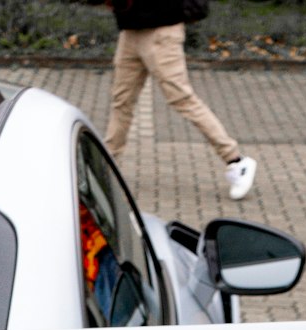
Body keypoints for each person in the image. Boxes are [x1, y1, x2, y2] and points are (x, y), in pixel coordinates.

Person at [104, 0, 257, 200]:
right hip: (130, 32)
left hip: (161, 32)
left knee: (183, 100)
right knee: (121, 101)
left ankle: (236, 161)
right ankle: (104, 167)